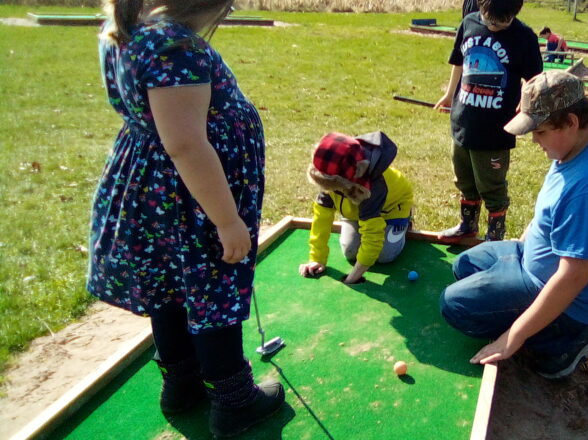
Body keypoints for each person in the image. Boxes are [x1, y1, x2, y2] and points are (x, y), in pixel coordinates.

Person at [88, 0, 284, 436]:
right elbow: (187, 146)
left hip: (158, 187)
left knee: (173, 285)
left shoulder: (131, 27)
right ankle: (235, 402)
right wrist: (227, 220)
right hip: (191, 196)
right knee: (213, 285)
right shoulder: (175, 48)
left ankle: (182, 384)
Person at [439, 70, 588, 379]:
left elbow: (573, 277)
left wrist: (512, 336)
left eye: (541, 131)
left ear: (571, 122)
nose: (534, 140)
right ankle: (530, 314)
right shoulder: (578, 146)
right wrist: (525, 242)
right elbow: (549, 208)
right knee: (464, 265)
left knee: (456, 305)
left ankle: (566, 341)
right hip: (532, 261)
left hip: (572, 302)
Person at [434, 0, 543, 242]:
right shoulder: (469, 23)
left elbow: (534, 79)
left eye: (503, 22)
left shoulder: (524, 37)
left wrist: (526, 104)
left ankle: (495, 236)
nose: (495, 27)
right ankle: (468, 225)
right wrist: (450, 94)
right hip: (464, 120)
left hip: (496, 128)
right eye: (491, 21)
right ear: (481, 7)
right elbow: (459, 61)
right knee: (463, 178)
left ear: (515, 12)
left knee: (492, 185)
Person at [299, 132, 414, 284]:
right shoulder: (329, 174)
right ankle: (356, 218)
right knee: (350, 252)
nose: (327, 190)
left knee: (385, 256)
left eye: (333, 187)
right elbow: (321, 218)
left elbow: (372, 235)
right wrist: (317, 258)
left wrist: (354, 276)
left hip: (391, 209)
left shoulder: (373, 187)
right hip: (355, 210)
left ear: (344, 180)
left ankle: (405, 223)